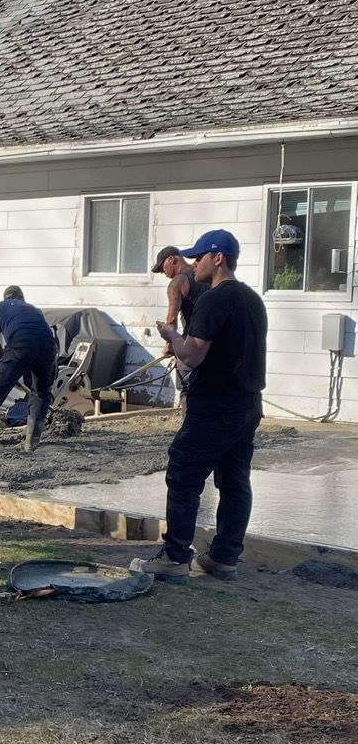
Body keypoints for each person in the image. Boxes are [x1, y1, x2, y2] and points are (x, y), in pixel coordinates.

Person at [132, 229, 268, 584]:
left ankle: (175, 558)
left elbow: (192, 355)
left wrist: (173, 337)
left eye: (199, 257)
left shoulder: (213, 299)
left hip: (215, 405)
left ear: (218, 258)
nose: (194, 264)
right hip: (248, 404)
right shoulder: (253, 300)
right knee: (235, 481)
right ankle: (223, 559)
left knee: (183, 473)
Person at [0, 285, 57, 452]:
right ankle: (31, 442)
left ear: (5, 297)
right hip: (49, 347)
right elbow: (42, 336)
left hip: (20, 344)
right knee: (41, 393)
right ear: (21, 298)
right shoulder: (34, 309)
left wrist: (5, 367)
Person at [153, 244, 210, 406]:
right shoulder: (205, 274)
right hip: (213, 344)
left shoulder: (177, 283)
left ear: (172, 259)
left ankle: (191, 430)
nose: (163, 273)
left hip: (190, 344)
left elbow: (171, 322)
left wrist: (169, 345)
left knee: (187, 390)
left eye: (162, 267)